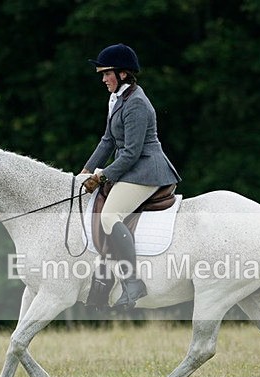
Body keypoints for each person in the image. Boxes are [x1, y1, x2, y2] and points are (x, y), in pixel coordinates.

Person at [80, 43, 181, 309]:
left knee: (109, 216)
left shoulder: (136, 103)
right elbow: (107, 140)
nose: (103, 79)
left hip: (147, 171)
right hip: (132, 169)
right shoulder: (117, 98)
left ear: (122, 73)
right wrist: (85, 172)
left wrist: (102, 177)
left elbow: (131, 153)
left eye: (106, 74)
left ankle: (132, 281)